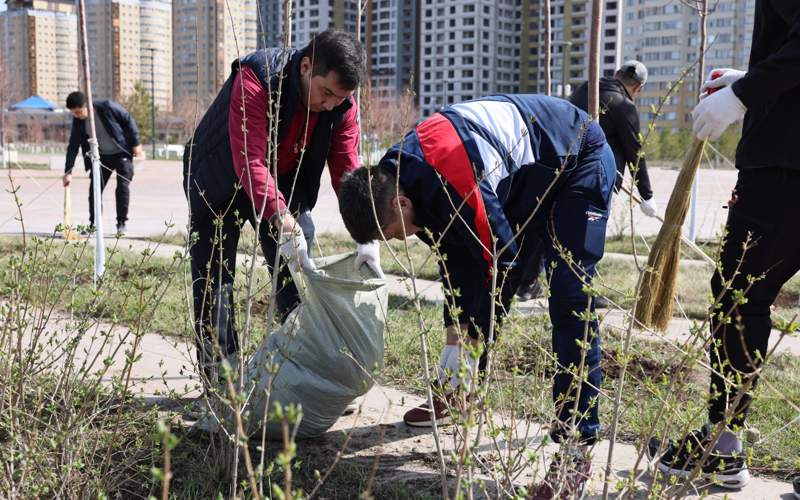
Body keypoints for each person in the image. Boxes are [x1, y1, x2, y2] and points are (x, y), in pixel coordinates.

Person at [339, 94, 617, 498]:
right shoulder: (400, 171)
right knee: (464, 277)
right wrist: (457, 362)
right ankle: (454, 392)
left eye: (395, 232)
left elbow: (498, 267)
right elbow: (455, 267)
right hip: (525, 182)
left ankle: (576, 448)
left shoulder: (452, 176)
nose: (402, 239)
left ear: (400, 203)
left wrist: (472, 344)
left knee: (570, 299)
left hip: (576, 159)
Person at [649, 0, 800, 491]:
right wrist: (756, 79)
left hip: (784, 168)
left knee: (739, 297)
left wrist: (742, 95)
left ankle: (724, 444)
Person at [183, 29, 380, 380]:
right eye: (327, 93)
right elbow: (251, 160)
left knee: (299, 271)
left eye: (341, 98)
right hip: (218, 179)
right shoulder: (257, 78)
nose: (332, 104)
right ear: (306, 66)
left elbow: (347, 167)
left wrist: (366, 232)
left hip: (282, 181)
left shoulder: (343, 105)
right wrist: (282, 219)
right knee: (216, 278)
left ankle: (308, 369)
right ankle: (221, 381)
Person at [570, 60, 657, 217]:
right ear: (638, 88)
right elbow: (634, 152)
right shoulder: (624, 105)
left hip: (566, 170)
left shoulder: (584, 89)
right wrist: (647, 196)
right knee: (590, 232)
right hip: (597, 180)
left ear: (617, 74)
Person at [63, 91, 142, 235]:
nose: (77, 115)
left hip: (121, 152)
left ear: (86, 105)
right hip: (100, 157)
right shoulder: (78, 121)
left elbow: (127, 119)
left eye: (78, 112)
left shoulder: (107, 107)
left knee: (122, 186)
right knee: (95, 190)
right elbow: (73, 146)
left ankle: (121, 224)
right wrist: (68, 172)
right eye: (74, 113)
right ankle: (94, 225)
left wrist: (135, 143)